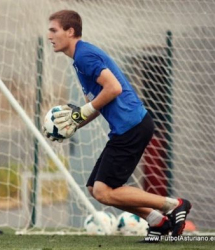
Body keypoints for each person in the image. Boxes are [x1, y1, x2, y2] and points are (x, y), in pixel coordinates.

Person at [44, 10, 191, 242]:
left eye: (54, 30)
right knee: (95, 188)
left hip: (132, 126)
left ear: (70, 31)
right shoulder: (79, 60)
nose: (49, 35)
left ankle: (174, 205)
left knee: (104, 191)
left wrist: (80, 114)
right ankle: (158, 221)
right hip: (128, 128)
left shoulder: (84, 56)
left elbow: (113, 88)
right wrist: (73, 125)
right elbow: (95, 105)